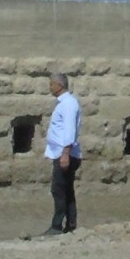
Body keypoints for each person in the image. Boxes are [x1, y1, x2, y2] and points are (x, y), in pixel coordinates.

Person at [43, 72, 82, 235]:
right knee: (66, 189)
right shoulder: (63, 103)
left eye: (51, 84)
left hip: (64, 154)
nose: (50, 87)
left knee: (58, 189)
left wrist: (65, 154)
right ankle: (71, 224)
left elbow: (69, 130)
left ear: (59, 86)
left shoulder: (68, 104)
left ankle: (57, 225)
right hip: (60, 153)